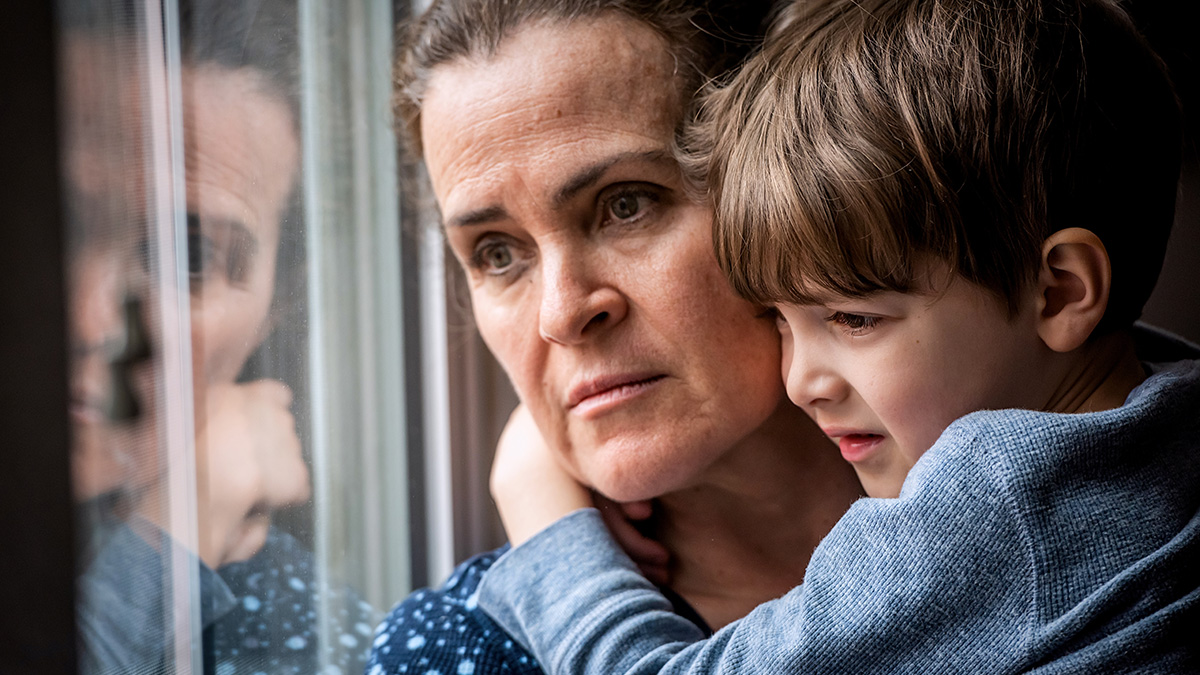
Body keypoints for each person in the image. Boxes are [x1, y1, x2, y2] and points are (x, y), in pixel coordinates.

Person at [473, 0, 1200, 672]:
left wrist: (542, 511)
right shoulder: (1171, 409)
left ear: (1061, 290)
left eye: (854, 318)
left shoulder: (999, 504)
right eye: (779, 319)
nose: (802, 382)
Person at [368, 1, 866, 673]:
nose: (560, 314)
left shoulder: (1005, 506)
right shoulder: (460, 650)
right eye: (497, 253)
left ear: (782, 187)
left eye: (626, 204)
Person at [63, 0, 376, 672]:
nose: (90, 318)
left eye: (190, 256)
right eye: (59, 219)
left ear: (276, 307)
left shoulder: (308, 641)